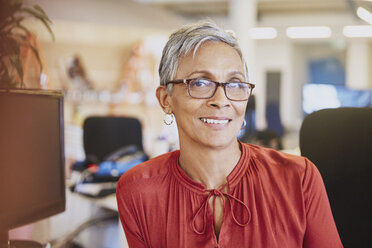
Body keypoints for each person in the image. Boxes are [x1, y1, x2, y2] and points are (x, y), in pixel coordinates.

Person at [116, 20, 343, 248]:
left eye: (234, 84)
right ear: (166, 99)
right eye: (200, 83)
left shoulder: (299, 178)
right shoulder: (138, 190)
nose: (221, 100)